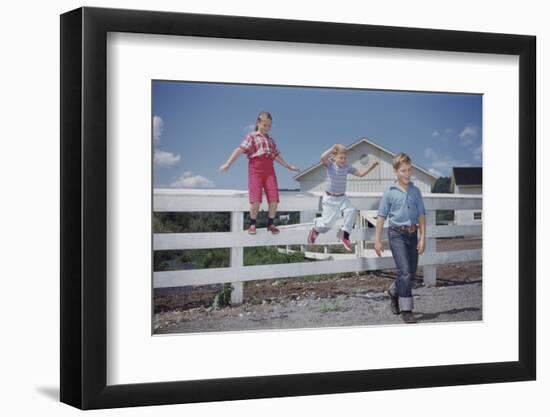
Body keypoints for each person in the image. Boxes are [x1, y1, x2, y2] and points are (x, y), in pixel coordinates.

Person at [219, 111, 299, 234]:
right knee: (255, 198)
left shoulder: (271, 140)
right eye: (265, 125)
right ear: (258, 123)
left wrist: (288, 166)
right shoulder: (251, 136)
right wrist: (228, 163)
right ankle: (252, 224)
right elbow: (239, 150)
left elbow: (277, 156)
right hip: (255, 169)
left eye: (269, 126)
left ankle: (270, 224)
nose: (267, 128)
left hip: (269, 170)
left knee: (274, 198)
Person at [374, 152, 426, 323]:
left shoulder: (416, 191)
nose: (407, 174)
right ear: (395, 171)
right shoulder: (389, 193)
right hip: (396, 234)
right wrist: (377, 240)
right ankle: (407, 309)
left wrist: (422, 237)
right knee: (403, 271)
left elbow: (421, 216)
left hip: (413, 234)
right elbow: (381, 216)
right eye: (403, 170)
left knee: (410, 274)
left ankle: (394, 291)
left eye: (409, 170)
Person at [308, 144, 379, 251]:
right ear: (334, 157)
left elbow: (360, 174)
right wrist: (331, 149)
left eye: (345, 158)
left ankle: (345, 234)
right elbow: (322, 157)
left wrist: (371, 167)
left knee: (351, 210)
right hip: (330, 199)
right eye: (341, 158)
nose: (343, 160)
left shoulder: (347, 167)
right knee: (327, 224)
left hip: (342, 198)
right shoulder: (330, 165)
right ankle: (315, 229)